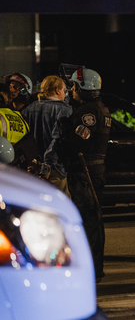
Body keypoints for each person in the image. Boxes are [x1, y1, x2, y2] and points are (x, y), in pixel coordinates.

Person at [61, 67, 110, 282]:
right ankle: (95, 268)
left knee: (88, 220)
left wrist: (64, 134)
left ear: (85, 87)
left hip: (85, 170)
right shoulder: (100, 108)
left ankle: (91, 269)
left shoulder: (88, 111)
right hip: (94, 169)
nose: (71, 90)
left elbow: (78, 142)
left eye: (74, 85)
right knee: (93, 220)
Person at [22, 75, 72, 195]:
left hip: (33, 169)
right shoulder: (64, 110)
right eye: (64, 90)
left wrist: (32, 161)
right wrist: (47, 165)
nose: (65, 94)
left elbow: (25, 138)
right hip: (54, 169)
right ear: (57, 90)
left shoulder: (30, 109)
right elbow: (58, 139)